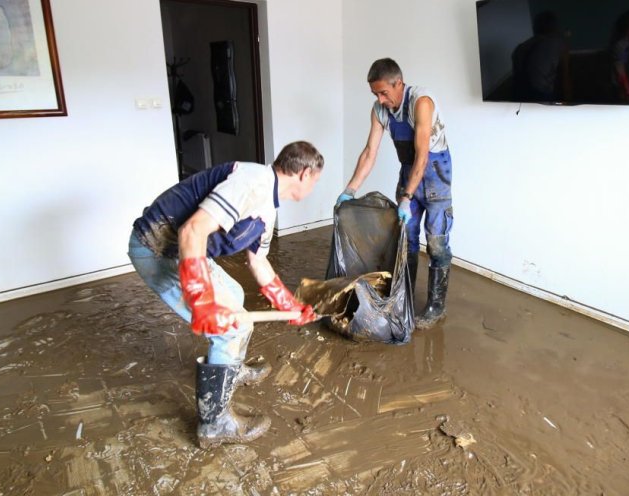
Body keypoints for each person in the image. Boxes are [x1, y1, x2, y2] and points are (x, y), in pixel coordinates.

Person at [128, 141, 323, 448]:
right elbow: (191, 232)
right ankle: (214, 425)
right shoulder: (252, 182)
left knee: (232, 292)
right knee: (233, 327)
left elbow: (258, 261)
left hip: (189, 252)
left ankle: (231, 367)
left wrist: (290, 304)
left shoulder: (268, 203)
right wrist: (201, 299)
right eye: (316, 180)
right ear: (306, 173)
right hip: (158, 250)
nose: (315, 186)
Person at [337, 58, 452, 329]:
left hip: (436, 174)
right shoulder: (380, 110)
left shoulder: (421, 102)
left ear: (398, 83)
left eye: (383, 92)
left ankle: (436, 306)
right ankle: (406, 296)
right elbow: (369, 152)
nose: (380, 98)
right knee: (406, 239)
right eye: (375, 93)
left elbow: (422, 155)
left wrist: (407, 198)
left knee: (436, 242)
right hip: (408, 171)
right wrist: (350, 189)